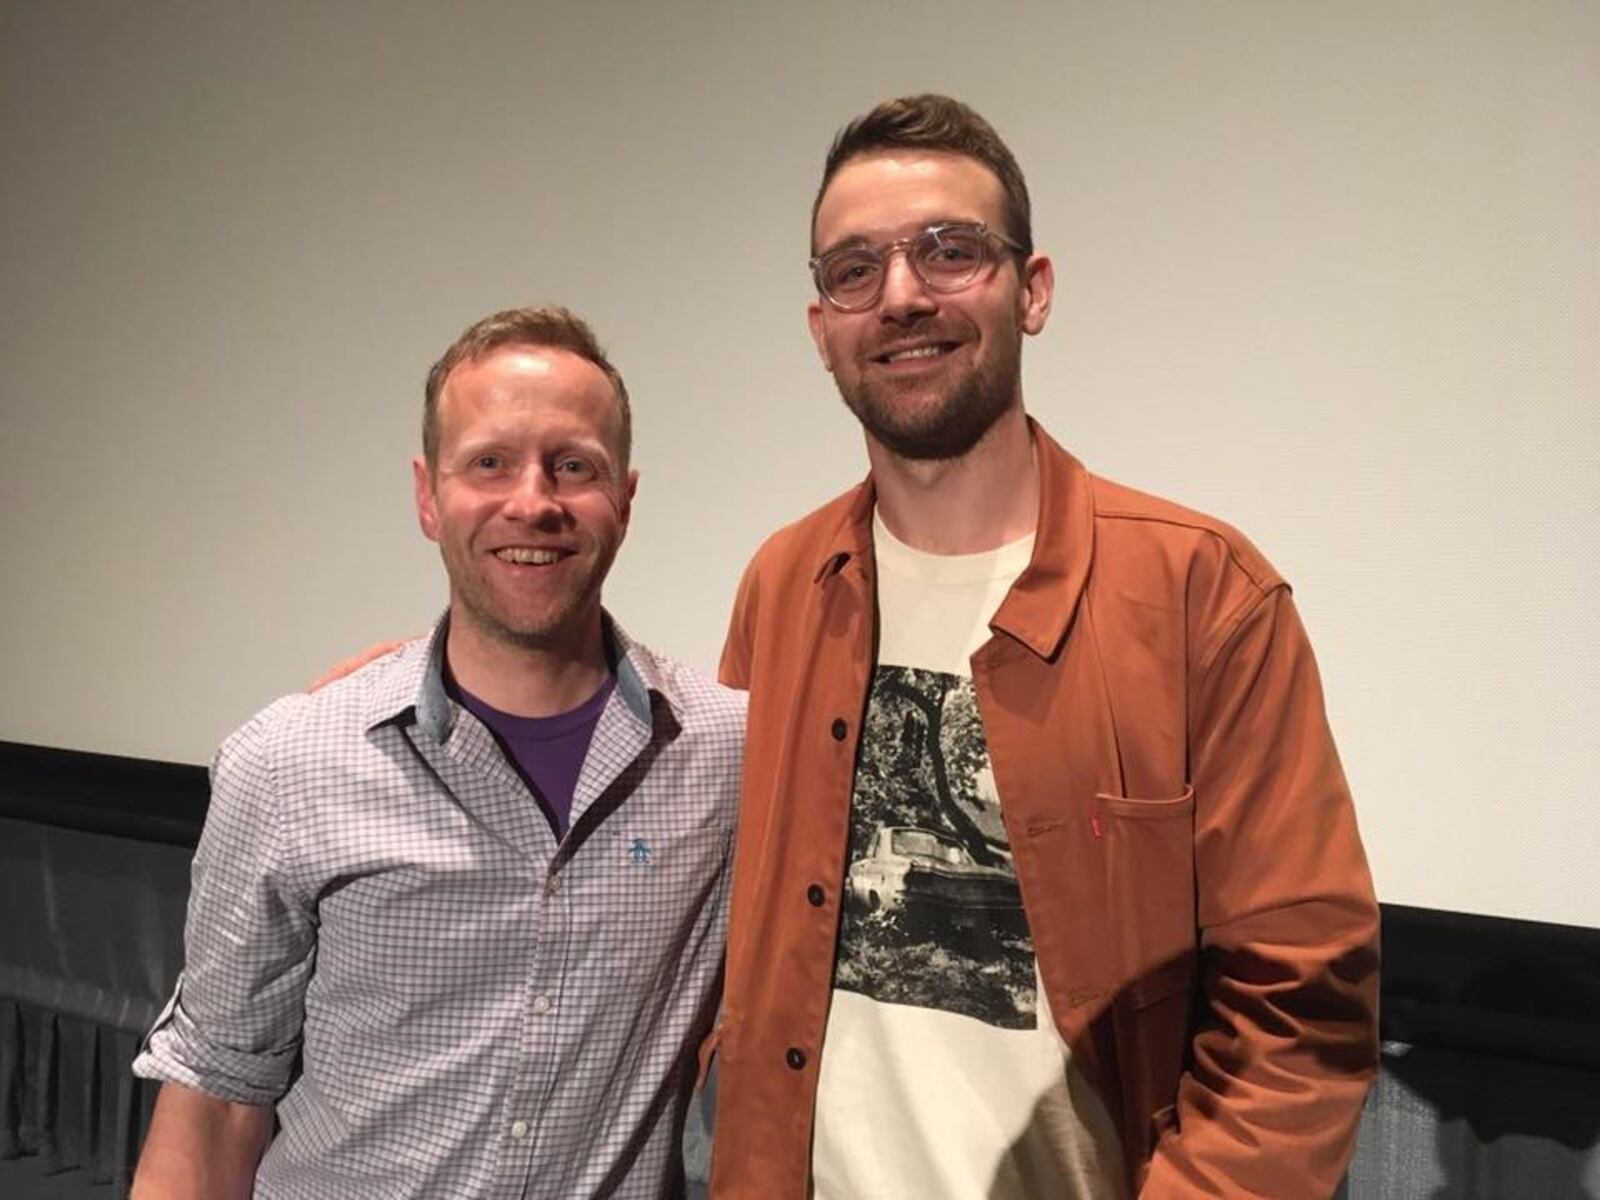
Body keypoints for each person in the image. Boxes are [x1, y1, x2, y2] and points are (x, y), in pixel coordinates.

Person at [705, 95, 1379, 1198]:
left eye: (949, 251)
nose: (903, 295)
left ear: (1034, 290)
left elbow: (1297, 1014)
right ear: (821, 326)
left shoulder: (1202, 592)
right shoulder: (785, 586)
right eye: (854, 269)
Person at [130, 307, 744, 1199]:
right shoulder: (291, 763)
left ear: (625, 500)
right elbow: (216, 1106)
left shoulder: (728, 751)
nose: (532, 501)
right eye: (489, 463)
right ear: (427, 495)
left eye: (573, 466)